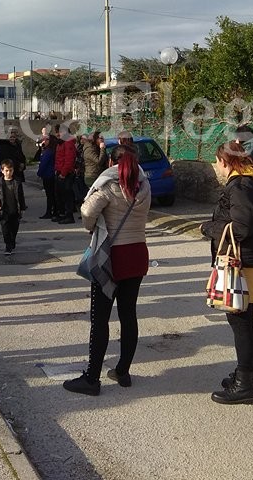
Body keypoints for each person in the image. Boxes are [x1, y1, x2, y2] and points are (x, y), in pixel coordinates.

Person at [63, 144, 152, 396]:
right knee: (128, 314)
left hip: (111, 256)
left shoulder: (107, 185)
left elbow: (86, 210)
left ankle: (92, 378)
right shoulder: (144, 186)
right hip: (137, 253)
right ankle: (123, 371)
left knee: (100, 318)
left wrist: (93, 227)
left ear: (110, 162)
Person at [200, 141, 253, 404]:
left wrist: (209, 228)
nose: (216, 166)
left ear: (226, 161)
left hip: (239, 261)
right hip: (249, 259)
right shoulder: (251, 182)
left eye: (218, 161)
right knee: (247, 318)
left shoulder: (239, 186)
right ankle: (250, 376)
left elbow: (240, 227)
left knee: (240, 320)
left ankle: (244, 385)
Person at [0, 159, 26, 255]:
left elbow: (21, 196)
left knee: (14, 228)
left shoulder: (17, 182)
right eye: (7, 170)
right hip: (4, 210)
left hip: (15, 210)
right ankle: (8, 246)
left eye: (11, 170)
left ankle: (12, 241)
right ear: (2, 170)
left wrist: (23, 208)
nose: (9, 173)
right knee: (5, 229)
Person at [54, 126, 77, 224]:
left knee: (67, 195)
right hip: (60, 172)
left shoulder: (68, 143)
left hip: (66, 173)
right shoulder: (61, 143)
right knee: (61, 195)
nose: (58, 134)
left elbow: (69, 160)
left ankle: (69, 215)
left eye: (60, 132)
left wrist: (63, 173)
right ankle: (63, 214)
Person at [36, 134, 59, 219]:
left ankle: (50, 211)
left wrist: (39, 173)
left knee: (50, 195)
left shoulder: (49, 151)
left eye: (46, 140)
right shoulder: (50, 150)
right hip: (50, 174)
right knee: (52, 194)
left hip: (48, 174)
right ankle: (54, 211)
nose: (44, 142)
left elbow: (43, 164)